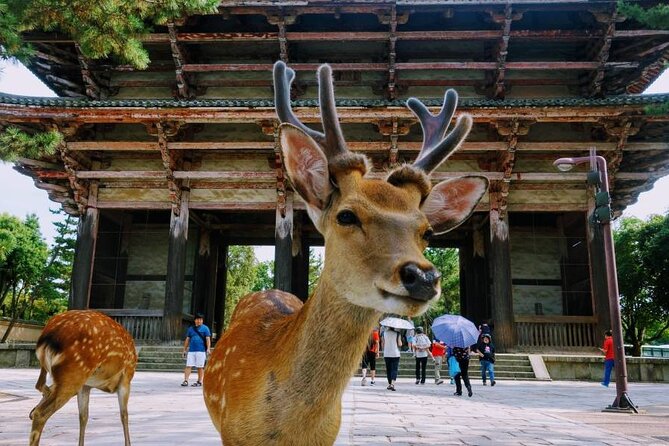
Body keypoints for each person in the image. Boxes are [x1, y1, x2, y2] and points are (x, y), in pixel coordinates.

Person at [181, 313, 211, 387]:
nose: (199, 321)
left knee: (200, 367)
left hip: (201, 351)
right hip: (191, 350)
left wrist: (208, 349)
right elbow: (187, 339)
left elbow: (208, 339)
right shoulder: (191, 329)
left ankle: (199, 381)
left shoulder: (205, 328)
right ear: (195, 320)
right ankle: (186, 380)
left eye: (200, 319)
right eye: (197, 319)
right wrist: (184, 350)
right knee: (188, 366)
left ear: (202, 320)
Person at [382, 326, 402, 391]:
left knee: (388, 369)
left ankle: (389, 384)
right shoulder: (397, 333)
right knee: (394, 369)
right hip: (395, 354)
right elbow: (400, 344)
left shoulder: (383, 333)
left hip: (387, 353)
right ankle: (392, 384)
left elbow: (383, 344)